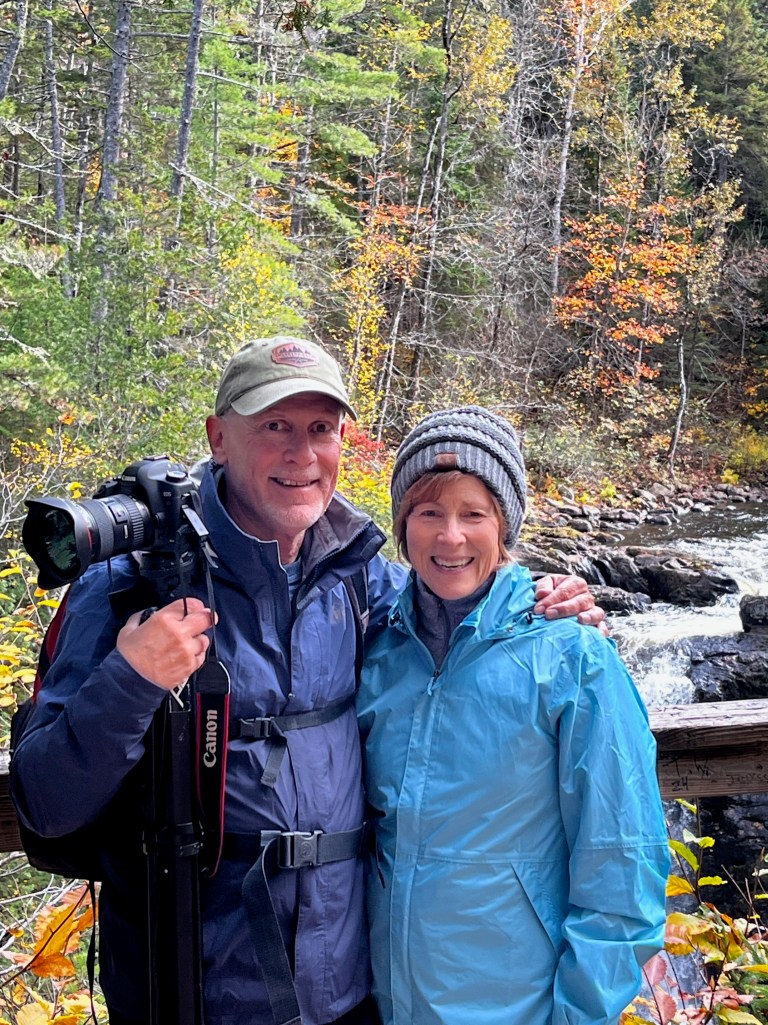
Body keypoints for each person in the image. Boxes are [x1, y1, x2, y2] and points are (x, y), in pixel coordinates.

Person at [11, 338, 603, 1025]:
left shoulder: (361, 578)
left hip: (348, 990)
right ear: (219, 437)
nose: (302, 454)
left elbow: (462, 627)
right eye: (275, 427)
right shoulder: (128, 587)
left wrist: (547, 607)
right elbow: (45, 804)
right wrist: (131, 677)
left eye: (321, 429)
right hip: (189, 993)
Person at [356, 406, 669, 1025]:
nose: (451, 537)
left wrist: (580, 1013)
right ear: (402, 525)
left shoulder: (571, 653)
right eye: (429, 513)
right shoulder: (374, 647)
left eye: (474, 514)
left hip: (519, 1004)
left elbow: (621, 858)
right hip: (384, 999)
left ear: (505, 525)